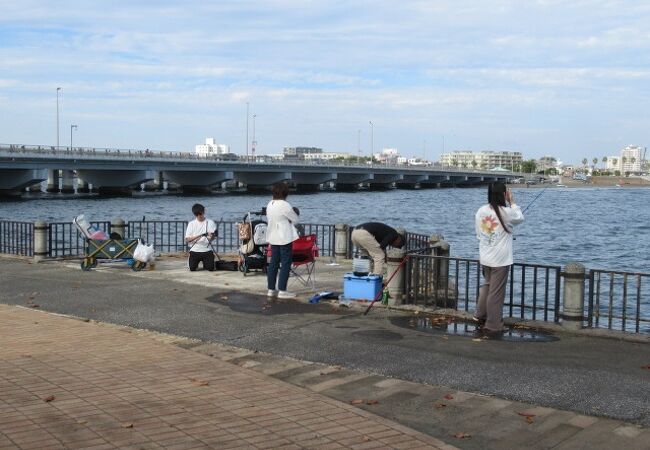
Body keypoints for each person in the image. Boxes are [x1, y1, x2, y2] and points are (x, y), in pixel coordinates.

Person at [473, 182, 524, 335]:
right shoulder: (506, 211)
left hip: (485, 257)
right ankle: (493, 324)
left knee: (487, 286)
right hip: (500, 260)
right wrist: (512, 201)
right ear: (503, 194)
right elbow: (520, 217)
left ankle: (479, 314)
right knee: (496, 293)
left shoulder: (481, 211)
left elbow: (478, 234)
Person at [266, 182, 299, 299]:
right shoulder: (285, 204)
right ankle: (282, 290)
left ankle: (271, 289)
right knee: (285, 263)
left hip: (273, 236)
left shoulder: (270, 203)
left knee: (273, 263)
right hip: (284, 237)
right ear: (285, 193)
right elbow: (295, 219)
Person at [185, 203, 217, 271]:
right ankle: (190, 259)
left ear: (204, 212)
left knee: (210, 268)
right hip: (194, 250)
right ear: (195, 214)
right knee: (192, 268)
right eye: (197, 214)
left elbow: (214, 237)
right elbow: (187, 239)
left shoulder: (210, 222)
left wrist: (212, 236)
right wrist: (199, 236)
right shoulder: (191, 224)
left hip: (207, 250)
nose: (199, 216)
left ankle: (209, 261)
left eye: (201, 214)